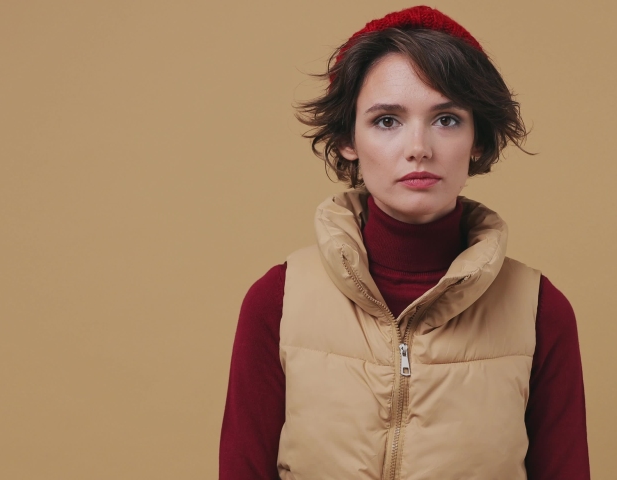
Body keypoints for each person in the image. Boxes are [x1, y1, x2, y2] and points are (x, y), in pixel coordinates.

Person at [220, 6, 590, 479]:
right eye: (387, 121)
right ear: (348, 138)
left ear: (477, 140)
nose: (419, 147)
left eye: (447, 120)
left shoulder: (540, 309)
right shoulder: (277, 301)